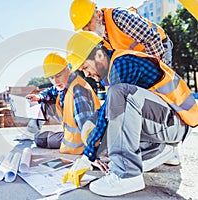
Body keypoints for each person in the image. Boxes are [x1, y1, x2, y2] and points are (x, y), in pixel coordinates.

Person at [62, 31, 198, 196]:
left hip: (176, 124)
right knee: (101, 119)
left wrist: (88, 155)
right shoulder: (114, 69)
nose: (86, 74)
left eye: (85, 67)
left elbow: (113, 108)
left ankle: (127, 175)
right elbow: (108, 117)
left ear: (99, 54)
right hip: (163, 124)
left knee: (121, 95)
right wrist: (97, 151)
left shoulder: (122, 64)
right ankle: (160, 150)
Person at [25, 52, 101, 154]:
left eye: (58, 75)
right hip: (70, 135)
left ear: (68, 70)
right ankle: (30, 132)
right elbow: (50, 90)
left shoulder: (78, 90)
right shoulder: (64, 84)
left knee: (41, 141)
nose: (55, 81)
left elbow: (85, 125)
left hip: (80, 145)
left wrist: (91, 153)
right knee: (39, 138)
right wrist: (38, 97)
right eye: (52, 78)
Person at [69, 0, 173, 67]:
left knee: (163, 85)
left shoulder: (119, 17)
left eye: (88, 23)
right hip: (142, 58)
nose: (87, 30)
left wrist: (157, 69)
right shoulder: (103, 38)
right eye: (83, 28)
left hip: (159, 47)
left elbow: (151, 38)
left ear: (98, 15)